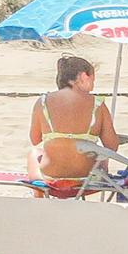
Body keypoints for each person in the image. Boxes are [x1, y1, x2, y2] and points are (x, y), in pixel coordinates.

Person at [28, 54, 118, 183]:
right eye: (92, 79)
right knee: (102, 156)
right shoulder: (97, 104)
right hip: (86, 178)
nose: (93, 84)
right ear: (83, 77)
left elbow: (35, 139)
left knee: (34, 153)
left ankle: (40, 193)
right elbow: (112, 146)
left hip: (52, 176)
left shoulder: (42, 102)